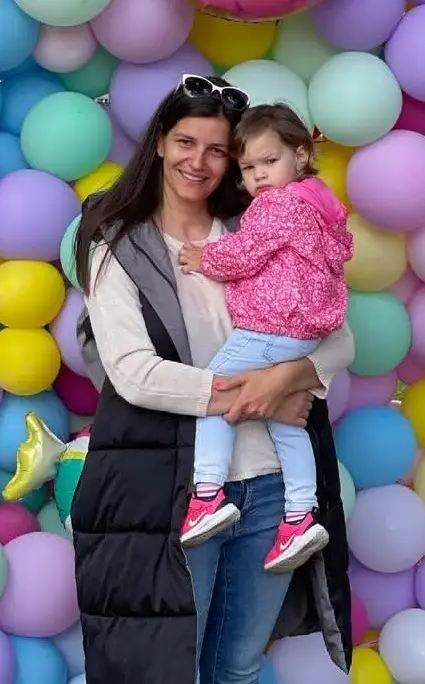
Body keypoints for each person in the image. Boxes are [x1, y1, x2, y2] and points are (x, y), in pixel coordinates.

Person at [71, 74, 354, 684]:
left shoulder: (259, 231)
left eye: (218, 150)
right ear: (159, 143)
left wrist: (287, 379)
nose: (198, 161)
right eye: (185, 142)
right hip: (176, 491)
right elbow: (135, 374)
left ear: (236, 160)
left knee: (239, 666)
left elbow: (339, 338)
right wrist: (260, 397)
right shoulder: (119, 246)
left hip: (270, 490)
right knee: (170, 669)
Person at [178, 103, 353, 575]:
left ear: (301, 155)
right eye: (248, 168)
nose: (258, 176)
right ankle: (300, 515)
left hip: (271, 326)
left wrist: (204, 259)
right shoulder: (320, 206)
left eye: (269, 162)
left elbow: (245, 252)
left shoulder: (280, 204)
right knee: (287, 425)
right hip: (303, 335)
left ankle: (207, 494)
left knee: (215, 390)